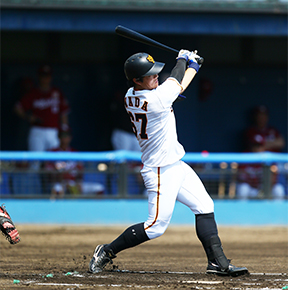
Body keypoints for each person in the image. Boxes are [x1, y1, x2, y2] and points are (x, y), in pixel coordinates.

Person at [88, 51, 248, 276]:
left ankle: (218, 263)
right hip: (161, 170)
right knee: (155, 227)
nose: (155, 77)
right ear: (136, 80)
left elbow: (177, 86)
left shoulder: (131, 95)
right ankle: (106, 251)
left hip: (176, 165)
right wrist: (184, 59)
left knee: (204, 206)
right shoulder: (156, 99)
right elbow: (175, 81)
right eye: (150, 75)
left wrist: (193, 66)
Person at [14, 65, 70, 152]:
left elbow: (64, 113)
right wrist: (28, 117)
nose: (45, 79)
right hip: (37, 130)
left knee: (54, 162)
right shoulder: (33, 92)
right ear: (39, 77)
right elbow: (18, 107)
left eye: (47, 76)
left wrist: (65, 129)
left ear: (51, 77)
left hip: (54, 131)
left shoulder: (57, 92)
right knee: (36, 161)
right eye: (43, 76)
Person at [45, 126, 105, 197]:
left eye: (67, 136)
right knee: (57, 189)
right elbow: (47, 171)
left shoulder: (75, 152)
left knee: (99, 188)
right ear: (58, 137)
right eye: (62, 135)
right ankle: (59, 208)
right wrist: (61, 178)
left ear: (70, 138)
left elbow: (80, 171)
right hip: (59, 183)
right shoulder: (52, 152)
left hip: (75, 183)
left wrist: (78, 183)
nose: (65, 138)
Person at [237, 135, 285, 199]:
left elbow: (273, 178)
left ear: (264, 147)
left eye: (260, 146)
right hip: (251, 189)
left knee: (278, 189)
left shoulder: (268, 157)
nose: (257, 149)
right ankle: (241, 209)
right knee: (243, 188)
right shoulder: (246, 157)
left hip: (265, 188)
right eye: (255, 146)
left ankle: (278, 209)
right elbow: (240, 177)